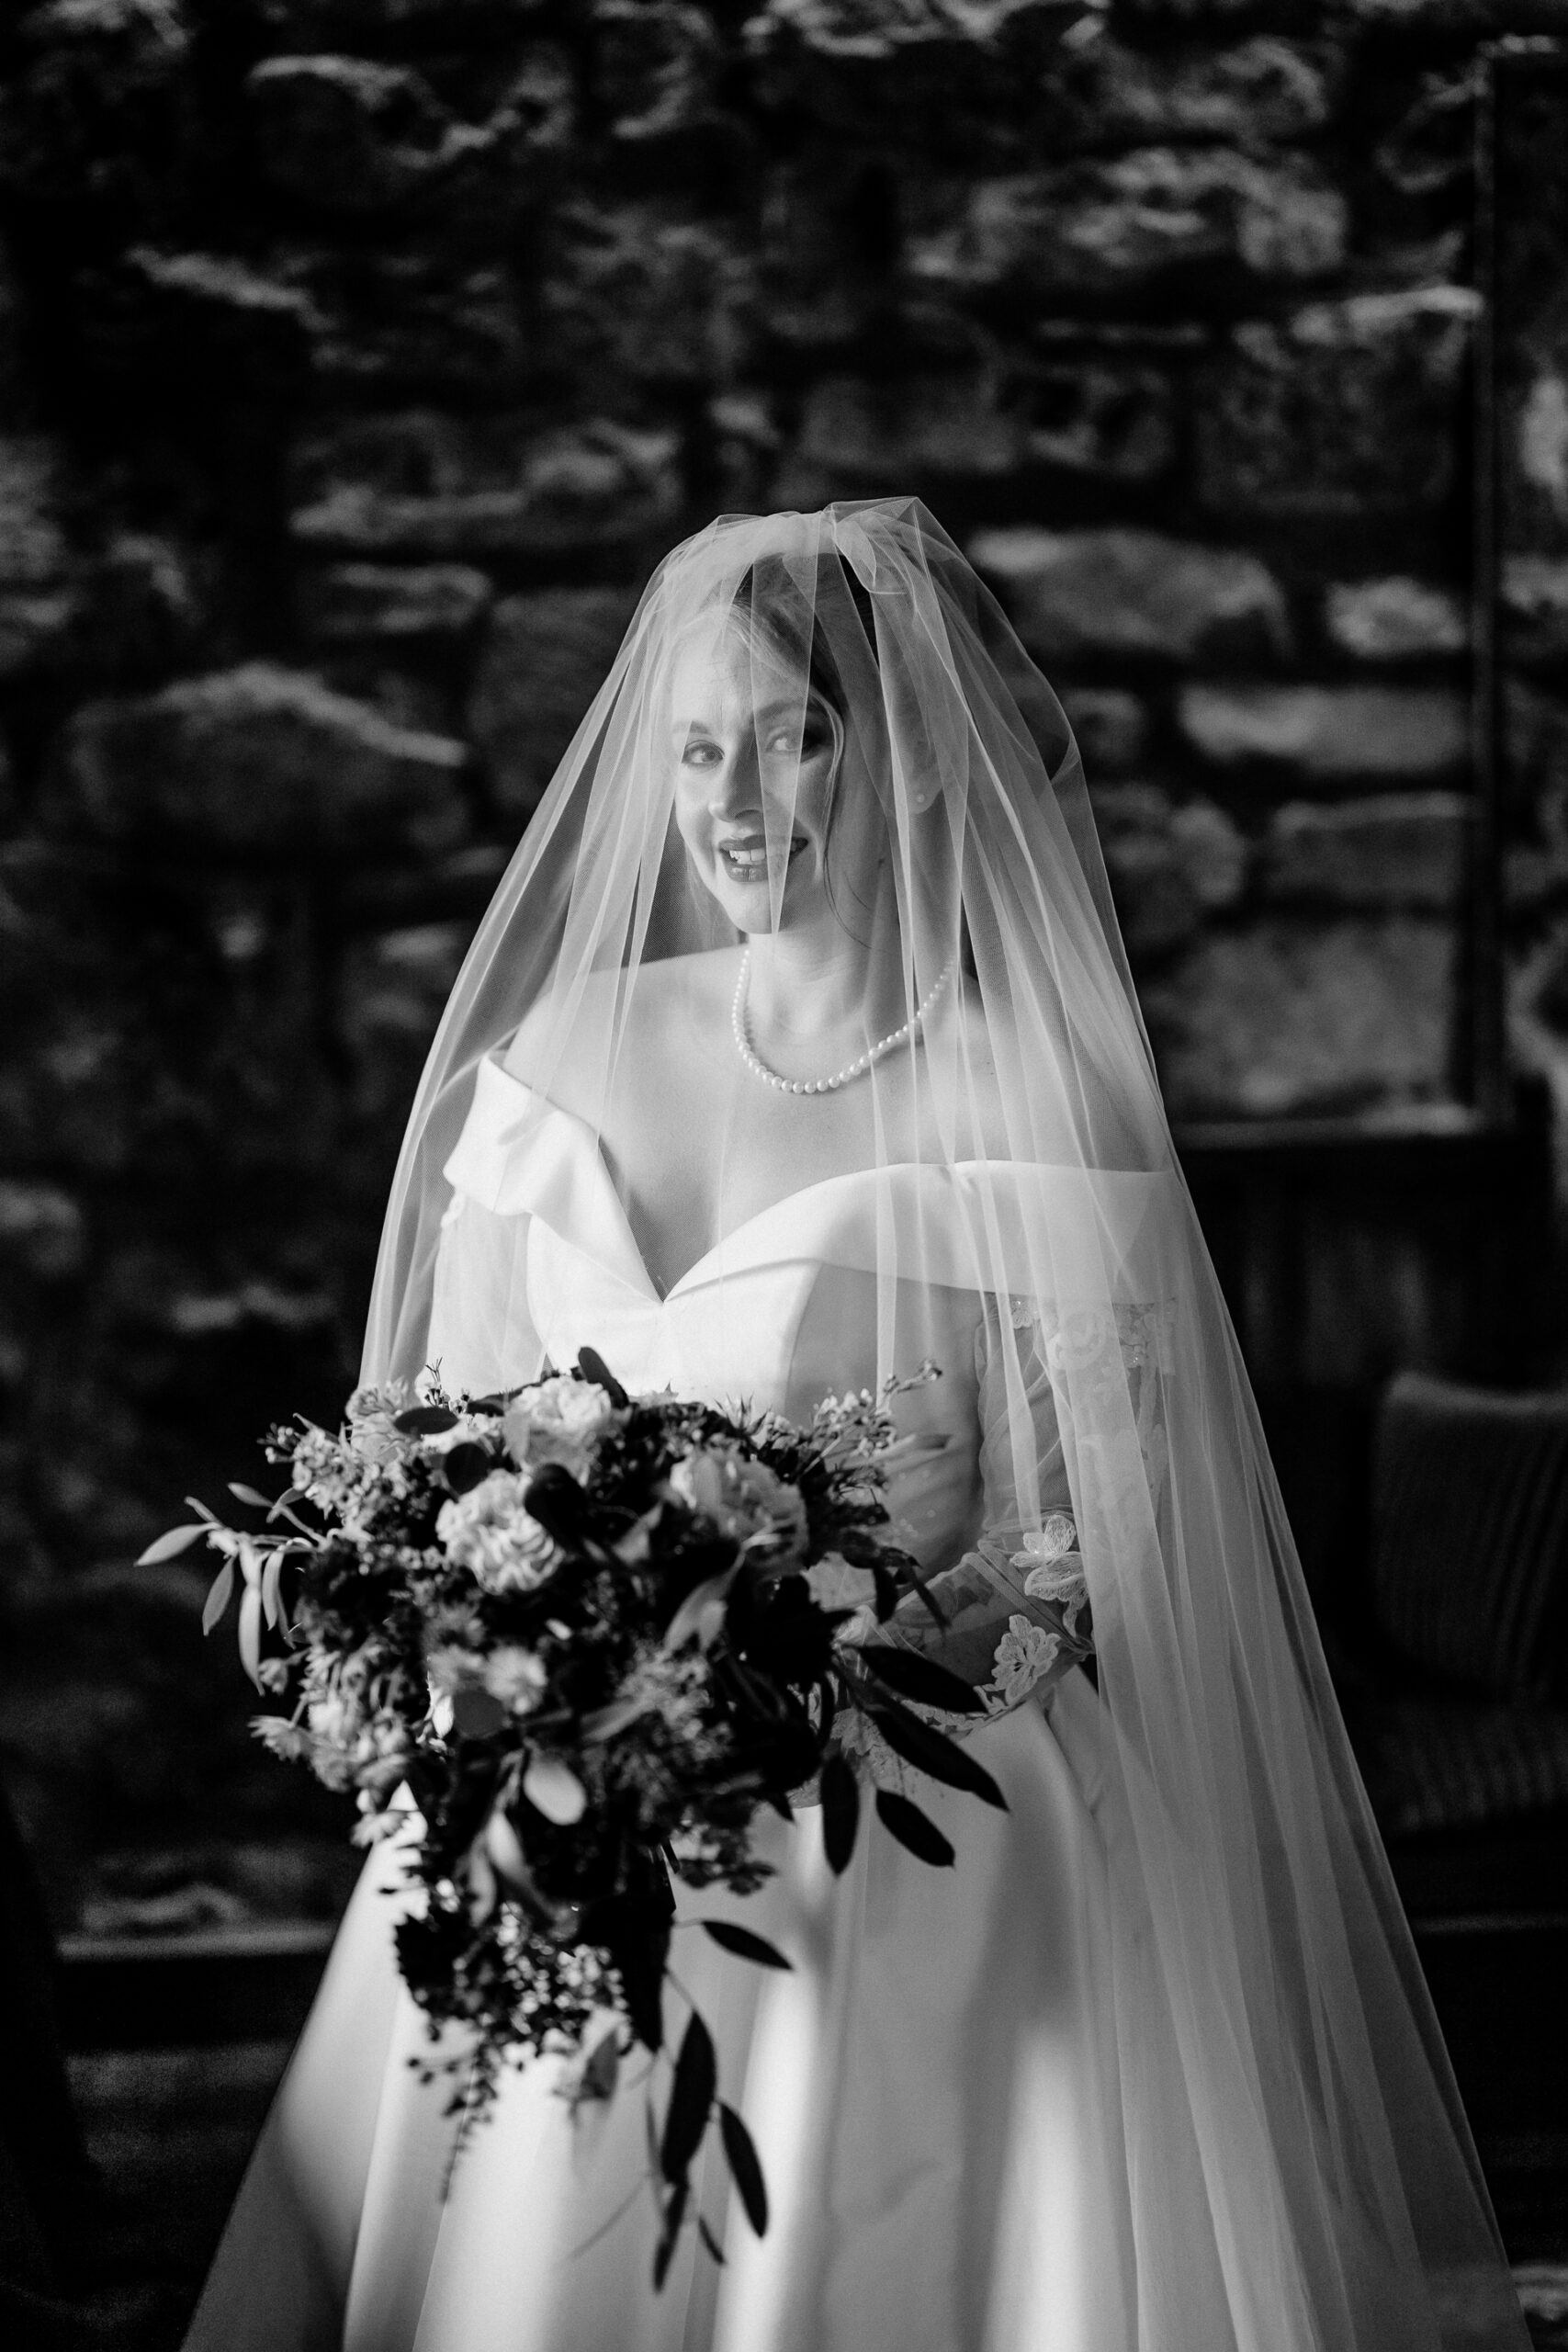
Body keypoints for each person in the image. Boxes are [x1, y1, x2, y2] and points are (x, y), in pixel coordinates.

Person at [183, 501, 1529, 2352]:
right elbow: (443, 1447)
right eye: (695, 746)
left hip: (907, 1771)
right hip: (572, 1777)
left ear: (899, 760)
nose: (734, 801)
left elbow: (1076, 1543)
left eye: (793, 736)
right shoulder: (570, 1046)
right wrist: (527, 1665)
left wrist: (792, 1687)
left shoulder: (1018, 1079)